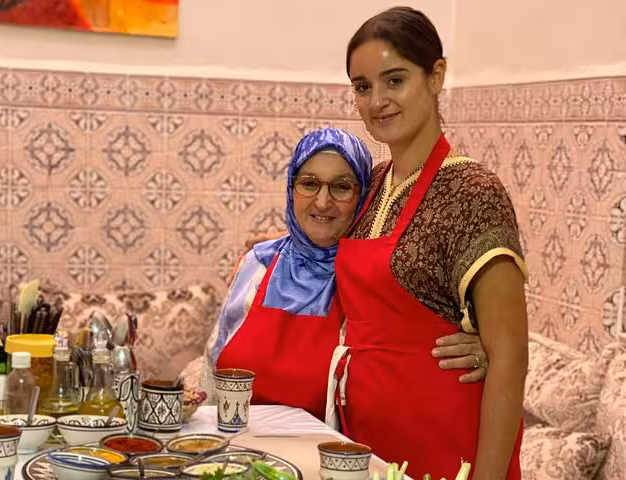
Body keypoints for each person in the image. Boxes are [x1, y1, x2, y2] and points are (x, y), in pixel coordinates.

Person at [327, 7, 528, 480]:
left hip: (446, 448)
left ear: (436, 76)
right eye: (362, 86)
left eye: (394, 80)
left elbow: (510, 357)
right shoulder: (372, 185)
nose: (377, 101)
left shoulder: (473, 192)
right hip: (363, 446)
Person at [190, 126, 489, 424]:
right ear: (291, 188)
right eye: (309, 183)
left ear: (362, 197)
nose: (322, 202)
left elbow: (408, 350)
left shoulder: (371, 278)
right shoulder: (257, 264)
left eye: (341, 187)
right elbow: (212, 368)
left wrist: (487, 347)